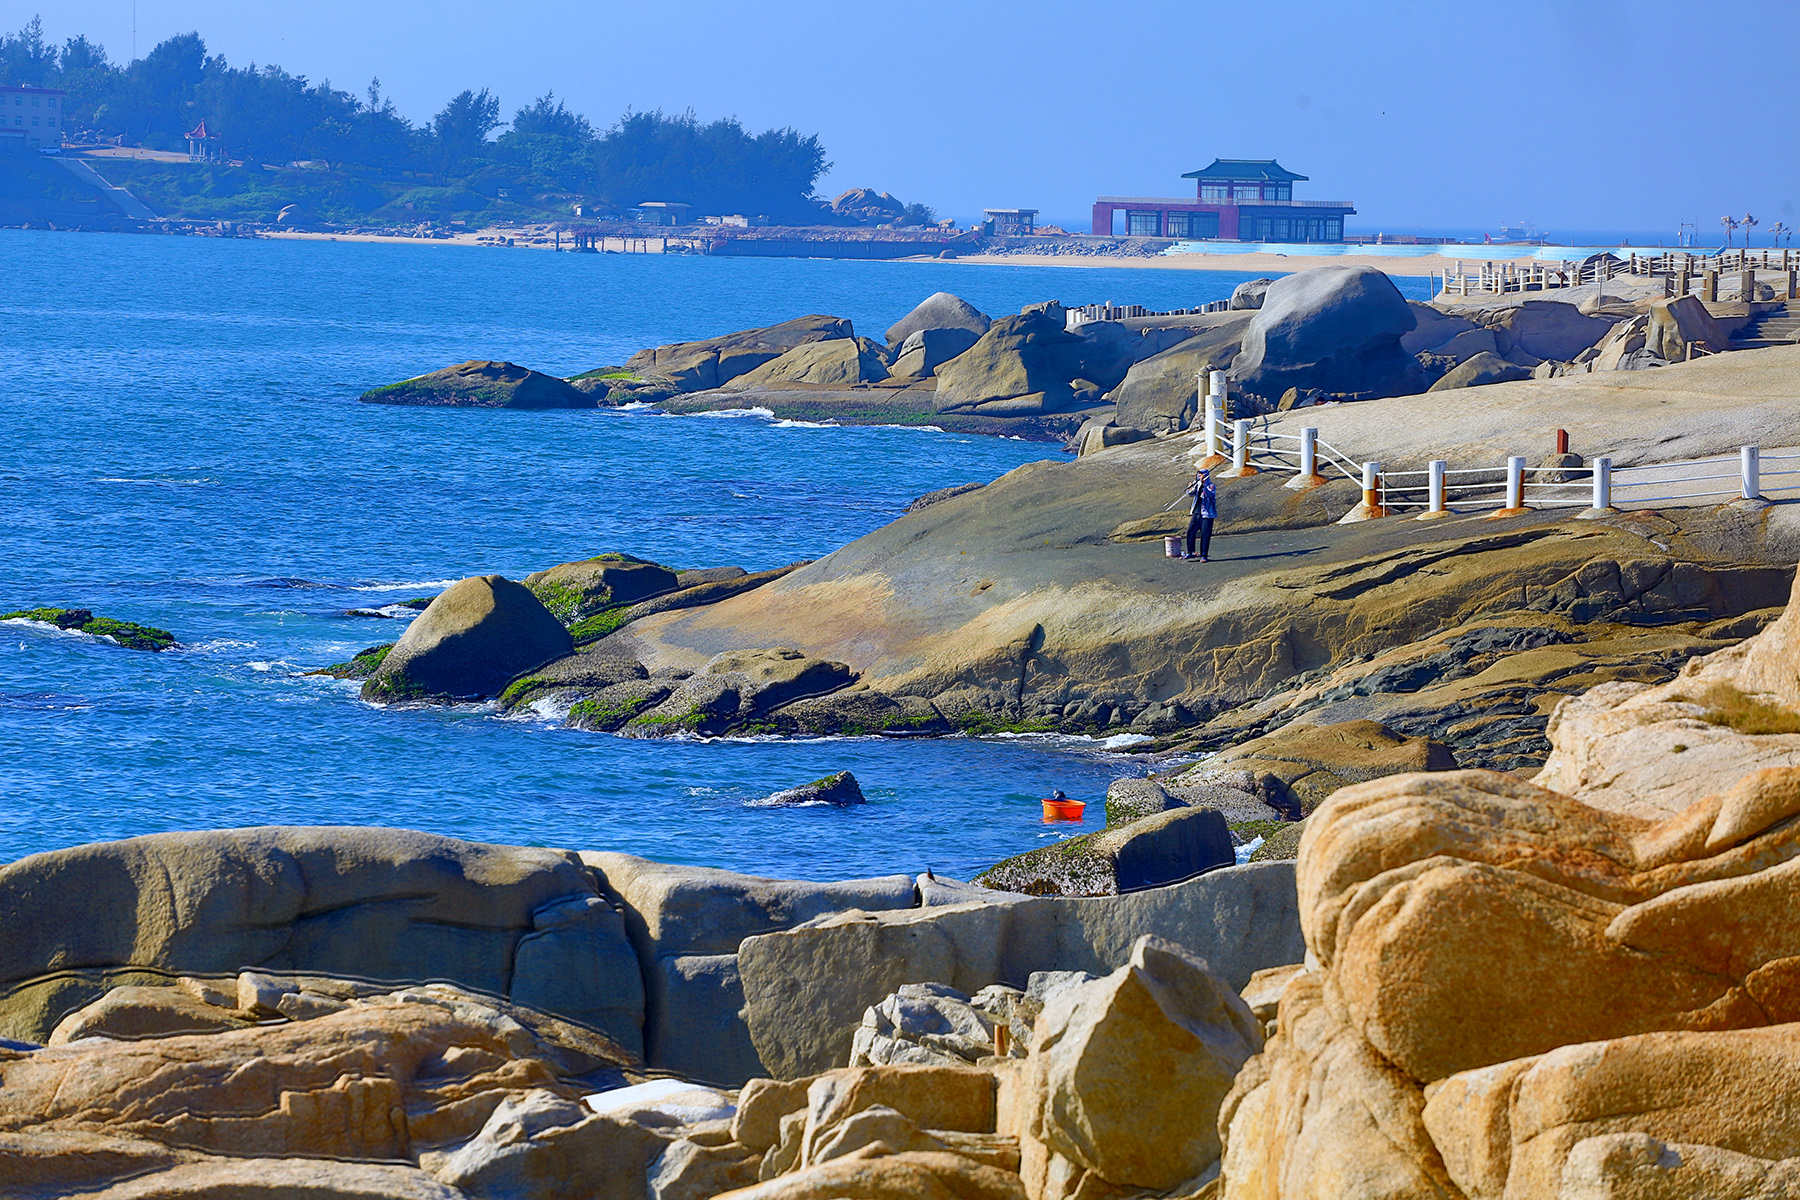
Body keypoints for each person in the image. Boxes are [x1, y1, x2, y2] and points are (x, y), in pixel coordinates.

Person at [1183, 467, 1216, 561]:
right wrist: (1190, 487)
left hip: (1207, 514)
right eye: (1199, 474)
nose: (1200, 476)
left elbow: (1210, 494)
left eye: (1202, 474)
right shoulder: (1197, 485)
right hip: (1196, 512)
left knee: (1205, 534)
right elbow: (1190, 494)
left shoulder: (1211, 485)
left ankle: (1204, 555)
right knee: (1190, 531)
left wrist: (1204, 484)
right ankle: (1191, 552)